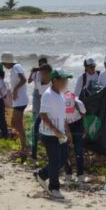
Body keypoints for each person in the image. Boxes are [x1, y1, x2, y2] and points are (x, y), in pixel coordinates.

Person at [35, 70, 72, 200]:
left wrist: (66, 130)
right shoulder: (48, 94)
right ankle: (54, 188)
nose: (65, 83)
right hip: (49, 133)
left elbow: (62, 115)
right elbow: (43, 115)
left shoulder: (61, 95)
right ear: (55, 80)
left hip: (60, 133)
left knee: (63, 158)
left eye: (66, 80)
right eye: (63, 80)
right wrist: (55, 131)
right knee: (55, 160)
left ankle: (42, 174)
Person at [2, 53, 30, 155]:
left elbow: (23, 79)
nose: (4, 65)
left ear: (7, 62)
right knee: (16, 123)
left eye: (3, 63)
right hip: (18, 100)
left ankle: (25, 146)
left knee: (16, 123)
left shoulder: (17, 67)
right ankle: (24, 145)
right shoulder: (14, 69)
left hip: (21, 100)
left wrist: (16, 90)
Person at [28, 56, 50, 160]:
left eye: (43, 64)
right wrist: (32, 72)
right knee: (35, 120)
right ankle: (34, 152)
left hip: (48, 104)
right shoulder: (37, 76)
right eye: (40, 64)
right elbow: (29, 81)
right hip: (38, 94)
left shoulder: (51, 80)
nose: (41, 66)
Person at [63, 89, 88, 183]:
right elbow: (64, 122)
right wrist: (69, 137)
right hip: (66, 125)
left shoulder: (79, 103)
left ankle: (80, 174)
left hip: (77, 124)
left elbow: (84, 116)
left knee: (78, 150)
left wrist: (85, 130)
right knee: (66, 150)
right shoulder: (60, 104)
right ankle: (68, 173)